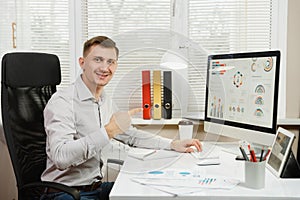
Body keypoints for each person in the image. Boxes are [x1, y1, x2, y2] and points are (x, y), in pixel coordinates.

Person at [40, 35, 202, 200]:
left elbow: (129, 134)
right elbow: (61, 157)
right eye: (98, 59)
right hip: (64, 193)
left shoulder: (104, 99)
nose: (105, 67)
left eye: (111, 62)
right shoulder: (62, 101)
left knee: (150, 192)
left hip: (95, 188)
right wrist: (108, 132)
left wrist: (172, 144)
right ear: (82, 63)